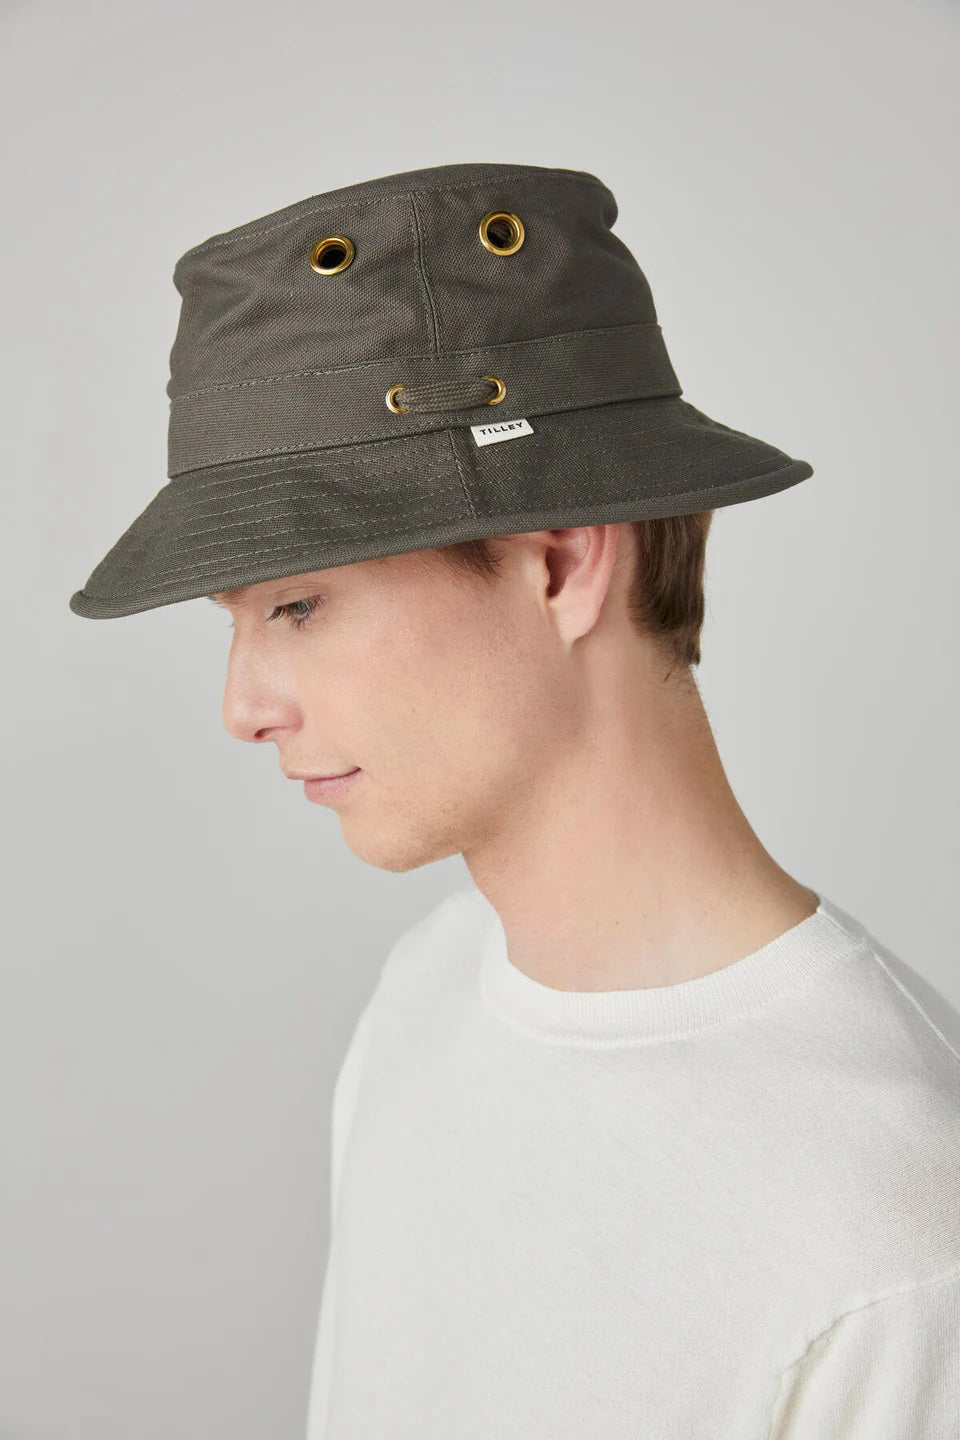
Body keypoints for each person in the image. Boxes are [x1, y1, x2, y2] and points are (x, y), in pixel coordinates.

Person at [69, 162, 960, 1438]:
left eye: (297, 605)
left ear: (557, 561)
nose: (243, 704)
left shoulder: (897, 1235)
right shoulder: (425, 997)